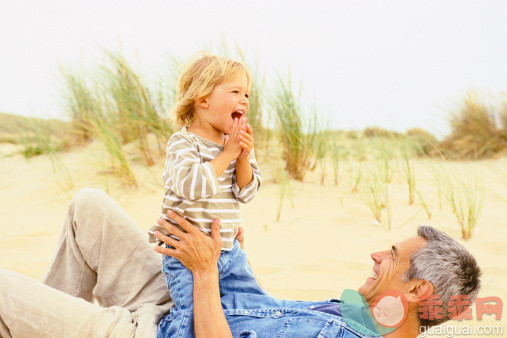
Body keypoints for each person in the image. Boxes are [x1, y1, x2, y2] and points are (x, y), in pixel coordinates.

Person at [0, 188, 482, 337]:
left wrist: (208, 273)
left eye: (393, 257)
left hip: (156, 334)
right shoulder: (356, 315)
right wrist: (233, 265)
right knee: (91, 208)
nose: (376, 256)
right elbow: (261, 315)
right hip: (182, 308)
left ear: (419, 292)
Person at [145, 52, 263, 335]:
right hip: (187, 257)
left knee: (255, 305)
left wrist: (243, 156)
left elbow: (246, 192)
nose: (244, 100)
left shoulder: (234, 144)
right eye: (235, 91)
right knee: (191, 317)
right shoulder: (183, 142)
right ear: (202, 99)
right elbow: (191, 186)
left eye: (246, 94)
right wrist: (229, 154)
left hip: (229, 253)